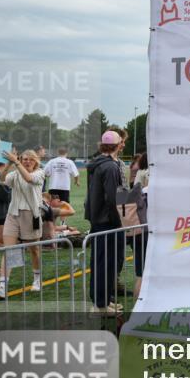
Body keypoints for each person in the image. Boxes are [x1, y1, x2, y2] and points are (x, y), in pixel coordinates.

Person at [0, 149, 47, 298]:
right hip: (12, 214)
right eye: (24, 159)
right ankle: (3, 285)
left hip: (30, 214)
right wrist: (9, 164)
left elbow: (29, 179)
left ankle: (37, 278)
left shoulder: (40, 173)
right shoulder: (14, 174)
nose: (27, 162)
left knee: (34, 250)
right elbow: (0, 180)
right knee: (8, 249)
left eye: (30, 159)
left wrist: (16, 162)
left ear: (36, 162)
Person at [84, 131, 126, 315]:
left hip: (99, 219)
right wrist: (119, 222)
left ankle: (103, 299)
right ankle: (101, 304)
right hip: (107, 221)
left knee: (102, 262)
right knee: (105, 263)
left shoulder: (100, 164)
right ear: (117, 145)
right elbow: (112, 198)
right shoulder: (109, 167)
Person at [43, 147, 79, 225]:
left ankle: (51, 223)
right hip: (64, 187)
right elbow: (76, 174)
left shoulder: (52, 161)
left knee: (52, 205)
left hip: (53, 186)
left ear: (57, 152)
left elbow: (45, 173)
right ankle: (62, 223)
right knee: (64, 205)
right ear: (66, 153)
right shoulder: (69, 162)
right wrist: (77, 181)